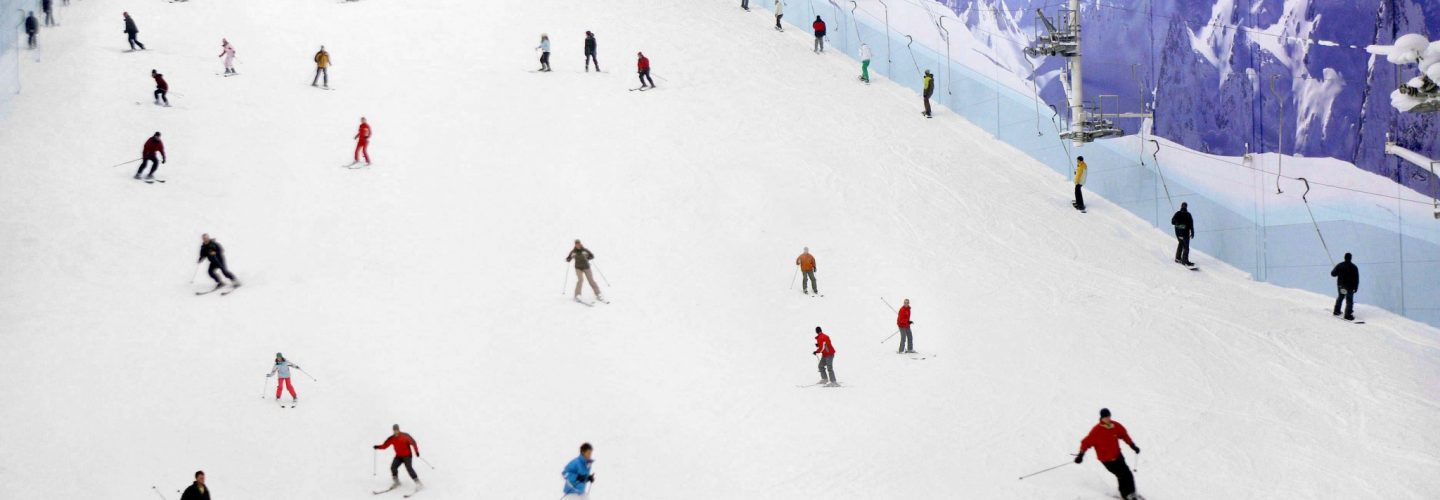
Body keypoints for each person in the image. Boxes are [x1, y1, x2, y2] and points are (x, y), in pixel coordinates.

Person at [1075, 408, 1141, 500]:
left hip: (1118, 456)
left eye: (1109, 416)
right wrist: (1080, 455)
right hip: (1107, 460)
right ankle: (1126, 495)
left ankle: (1132, 493)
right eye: (1105, 417)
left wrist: (1132, 446)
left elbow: (1124, 435)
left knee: (1128, 474)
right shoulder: (1096, 430)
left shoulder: (1115, 425)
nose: (1108, 419)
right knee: (1121, 475)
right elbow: (1085, 442)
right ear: (1101, 418)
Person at [374, 424, 423, 490]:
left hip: (407, 456)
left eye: (397, 430)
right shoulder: (391, 438)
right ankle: (396, 482)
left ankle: (418, 483)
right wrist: (377, 447)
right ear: (393, 430)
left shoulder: (405, 436)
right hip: (399, 456)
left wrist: (416, 451)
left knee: (409, 468)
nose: (395, 431)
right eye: (394, 430)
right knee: (393, 467)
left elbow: (413, 443)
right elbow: (384, 446)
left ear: (399, 429)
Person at [1331, 252, 1359, 321]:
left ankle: (1336, 311)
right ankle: (1347, 315)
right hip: (1349, 287)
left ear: (1344, 257)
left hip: (1341, 286)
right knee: (1349, 301)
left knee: (1341, 297)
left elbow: (1333, 274)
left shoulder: (1340, 265)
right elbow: (1356, 279)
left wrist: (1335, 270)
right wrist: (1356, 288)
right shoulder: (1354, 267)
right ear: (1351, 258)